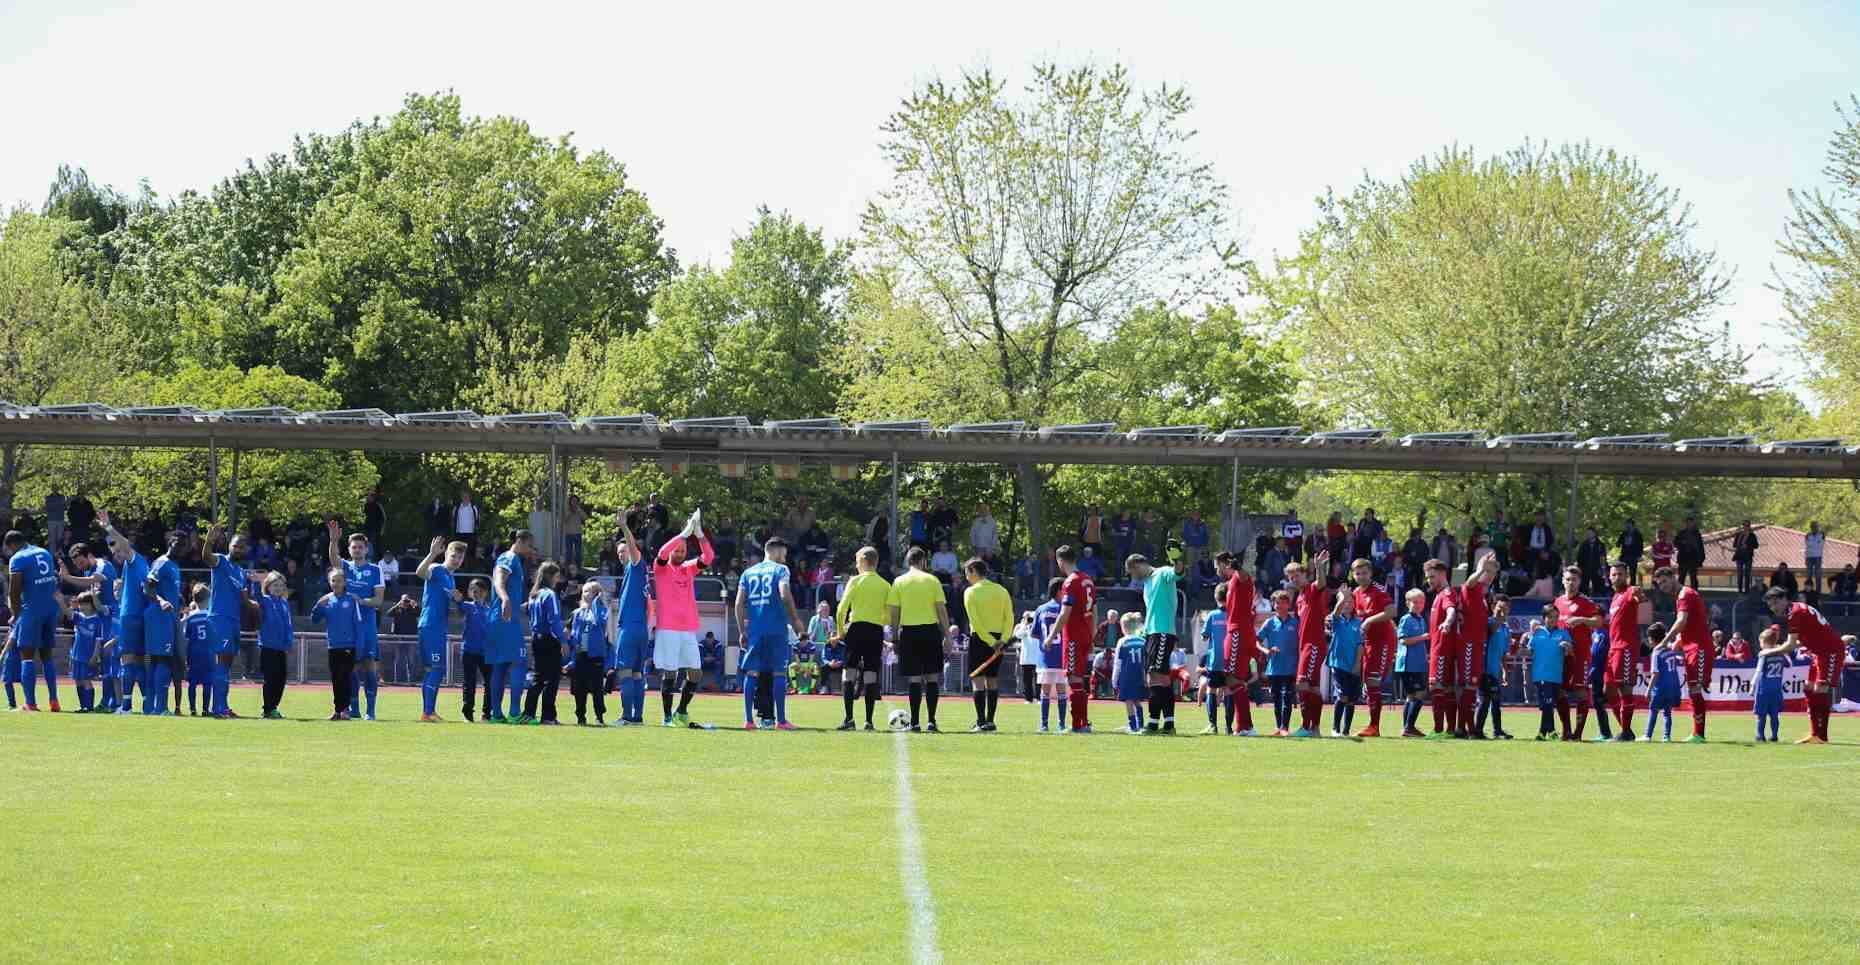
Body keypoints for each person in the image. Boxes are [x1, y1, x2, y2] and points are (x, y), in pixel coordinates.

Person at [1756, 588, 1848, 743]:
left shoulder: (1795, 613)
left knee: (1820, 689)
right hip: (1819, 652)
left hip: (1830, 651)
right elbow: (1800, 640)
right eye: (1771, 606)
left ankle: (1821, 736)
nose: (1774, 608)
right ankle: (1814, 733)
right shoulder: (1796, 609)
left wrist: (1768, 652)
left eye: (1775, 603)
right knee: (1808, 688)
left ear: (1784, 598)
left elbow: (1791, 645)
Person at [737, 537, 806, 731]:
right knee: (778, 672)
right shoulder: (781, 570)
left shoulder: (748, 573)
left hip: (756, 630)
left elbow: (738, 603)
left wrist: (743, 631)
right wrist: (796, 620)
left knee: (751, 672)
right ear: (775, 551)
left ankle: (748, 720)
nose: (785, 557)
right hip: (776, 628)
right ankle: (781, 721)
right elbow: (784, 594)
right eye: (784, 553)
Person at [654, 511, 714, 728]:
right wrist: (683, 534)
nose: (679, 553)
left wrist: (699, 536)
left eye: (682, 550)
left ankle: (681, 711)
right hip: (668, 628)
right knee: (670, 671)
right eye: (677, 550)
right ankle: (667, 716)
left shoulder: (688, 569)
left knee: (695, 672)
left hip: (688, 628)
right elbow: (662, 551)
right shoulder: (660, 569)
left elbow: (708, 558)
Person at [888, 545, 951, 732]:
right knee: (932, 678)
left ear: (908, 561)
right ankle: (931, 721)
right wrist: (947, 635)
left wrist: (893, 636)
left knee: (914, 679)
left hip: (908, 632)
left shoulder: (899, 582)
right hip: (930, 631)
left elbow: (894, 612)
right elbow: (941, 610)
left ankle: (914, 722)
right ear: (923, 561)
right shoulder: (932, 580)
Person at [327, 520, 385, 721]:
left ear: (366, 549)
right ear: (350, 549)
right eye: (354, 546)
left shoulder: (376, 570)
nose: (357, 549)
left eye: (361, 546)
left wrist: (362, 600)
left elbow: (378, 600)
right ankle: (354, 708)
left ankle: (371, 710)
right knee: (350, 666)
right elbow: (333, 558)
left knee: (369, 664)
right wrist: (334, 540)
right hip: (348, 625)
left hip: (367, 623)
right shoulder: (345, 567)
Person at [1126, 547, 1186, 733]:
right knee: (1163, 679)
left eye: (1132, 572)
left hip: (1162, 632)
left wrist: (1177, 558)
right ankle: (1168, 724)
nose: (1133, 577)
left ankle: (1152, 723)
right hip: (1152, 633)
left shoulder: (1162, 573)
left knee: (1154, 676)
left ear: (1138, 565)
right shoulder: (1147, 583)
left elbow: (1178, 572)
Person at [4, 530, 64, 711]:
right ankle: (54, 701)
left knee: (27, 656)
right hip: (50, 609)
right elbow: (53, 581)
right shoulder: (43, 552)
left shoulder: (18, 558)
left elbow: (14, 591)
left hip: (31, 610)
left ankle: (30, 703)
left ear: (12, 545)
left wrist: (15, 614)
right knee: (46, 655)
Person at [834, 546, 891, 731]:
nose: (856, 564)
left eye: (857, 560)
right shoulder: (885, 584)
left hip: (856, 628)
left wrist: (841, 631)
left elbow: (841, 609)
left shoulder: (855, 581)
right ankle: (869, 721)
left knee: (849, 672)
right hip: (875, 630)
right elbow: (889, 616)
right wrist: (877, 621)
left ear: (865, 561)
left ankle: (849, 719)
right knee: (870, 674)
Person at [97, 511, 149, 714]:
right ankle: (147, 705)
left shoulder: (135, 560)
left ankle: (126, 706)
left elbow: (124, 544)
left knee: (127, 660)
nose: (116, 554)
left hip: (130, 615)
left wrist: (109, 527)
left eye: (117, 550)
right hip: (142, 615)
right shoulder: (141, 566)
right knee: (140, 661)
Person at [1339, 558, 1397, 738]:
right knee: (1368, 683)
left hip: (1382, 642)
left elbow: (1392, 612)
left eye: (1364, 573)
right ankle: (1372, 725)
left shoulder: (1378, 591)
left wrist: (1370, 620)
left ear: (1370, 574)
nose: (1361, 576)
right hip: (1366, 644)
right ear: (1353, 575)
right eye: (1357, 573)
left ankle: (1374, 726)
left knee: (1372, 681)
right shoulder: (1355, 592)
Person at [1653, 566, 1712, 742]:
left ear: (1674, 577)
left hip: (1698, 648)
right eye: (1659, 583)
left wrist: (1663, 643)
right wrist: (1678, 641)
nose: (1662, 586)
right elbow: (1691, 623)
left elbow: (1681, 621)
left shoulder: (1684, 594)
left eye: (1664, 581)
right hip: (1691, 647)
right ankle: (1696, 733)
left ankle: (1699, 734)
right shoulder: (1682, 596)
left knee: (1694, 689)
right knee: (1693, 688)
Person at [61, 541, 119, 713]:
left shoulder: (102, 565)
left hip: (111, 618)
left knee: (110, 661)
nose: (80, 566)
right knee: (103, 664)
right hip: (100, 619)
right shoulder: (88, 570)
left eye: (80, 562)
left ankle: (112, 702)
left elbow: (93, 580)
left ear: (89, 555)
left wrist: (68, 577)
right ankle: (105, 701)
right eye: (76, 564)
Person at [202, 522, 251, 719]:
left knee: (227, 663)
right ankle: (218, 708)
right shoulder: (221, 561)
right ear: (229, 546)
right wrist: (209, 541)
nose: (238, 549)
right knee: (221, 661)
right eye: (235, 545)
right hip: (219, 618)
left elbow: (245, 601)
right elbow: (207, 557)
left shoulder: (241, 572)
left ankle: (223, 705)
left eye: (241, 546)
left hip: (233, 620)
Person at [488, 530, 537, 725]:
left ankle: (496, 714)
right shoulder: (509, 557)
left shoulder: (514, 560)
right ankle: (515, 713)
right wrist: (505, 598)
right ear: (520, 541)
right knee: (519, 662)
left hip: (501, 617)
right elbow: (499, 579)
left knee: (500, 666)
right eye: (530, 545)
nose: (531, 549)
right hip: (505, 619)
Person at [1552, 565, 1605, 741]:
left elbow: (1598, 622)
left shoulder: (1586, 602)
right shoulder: (1558, 602)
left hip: (1581, 654)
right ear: (1562, 581)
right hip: (1561, 656)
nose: (1571, 583)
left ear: (1579, 582)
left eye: (1574, 580)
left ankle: (1578, 733)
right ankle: (1566, 730)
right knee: (1560, 691)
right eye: (1567, 579)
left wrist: (1582, 620)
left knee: (1580, 691)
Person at [414, 537, 464, 722]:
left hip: (438, 626)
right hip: (431, 626)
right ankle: (428, 712)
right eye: (454, 556)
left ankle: (429, 711)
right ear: (446, 554)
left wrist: (457, 601)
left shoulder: (451, 578)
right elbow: (419, 572)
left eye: (460, 557)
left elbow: (449, 606)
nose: (456, 560)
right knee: (437, 668)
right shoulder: (436, 569)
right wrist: (432, 553)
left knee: (432, 670)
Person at [962, 557, 1014, 732]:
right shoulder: (1002, 590)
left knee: (978, 681)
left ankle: (980, 721)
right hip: (999, 639)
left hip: (980, 639)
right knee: (992, 681)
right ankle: (990, 722)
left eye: (967, 573)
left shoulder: (970, 592)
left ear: (974, 572)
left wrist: (991, 642)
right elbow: (1010, 618)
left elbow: (975, 622)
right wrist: (1003, 641)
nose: (966, 577)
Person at [1285, 551, 1332, 738]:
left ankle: (1306, 726)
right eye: (1291, 577)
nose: (1294, 579)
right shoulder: (1299, 598)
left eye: (1297, 576)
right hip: (1305, 645)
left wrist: (1320, 566)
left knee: (1301, 683)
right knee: (1312, 687)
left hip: (1313, 645)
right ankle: (1315, 729)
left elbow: (1321, 583)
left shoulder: (1312, 590)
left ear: (1305, 575)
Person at [1053, 544, 1098, 734]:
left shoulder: (1070, 582)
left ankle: (1078, 724)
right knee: (1079, 679)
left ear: (1061, 561)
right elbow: (1095, 609)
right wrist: (1092, 633)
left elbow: (1065, 613)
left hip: (1073, 635)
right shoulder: (1088, 580)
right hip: (1086, 633)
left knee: (1073, 679)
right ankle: (1084, 722)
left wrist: (1051, 635)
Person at [1216, 552, 1261, 737]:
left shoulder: (1239, 578)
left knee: (1232, 679)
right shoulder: (1232, 583)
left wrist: (1238, 567)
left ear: (1225, 564)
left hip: (1238, 633)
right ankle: (1244, 725)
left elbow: (1245, 576)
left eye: (1217, 565)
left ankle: (1245, 727)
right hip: (1242, 632)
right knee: (1237, 680)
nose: (1217, 570)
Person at [1454, 553, 1499, 739]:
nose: (1489, 575)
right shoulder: (1473, 587)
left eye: (1492, 572)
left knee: (1471, 686)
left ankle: (1463, 728)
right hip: (1469, 644)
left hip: (1479, 644)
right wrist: (1480, 568)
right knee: (1469, 686)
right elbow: (1468, 583)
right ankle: (1467, 728)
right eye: (1486, 571)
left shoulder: (1485, 595)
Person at [610, 519, 650, 725]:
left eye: (623, 551)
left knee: (625, 672)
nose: (621, 555)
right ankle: (637, 717)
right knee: (636, 674)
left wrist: (625, 527)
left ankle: (626, 716)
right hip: (641, 628)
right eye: (618, 553)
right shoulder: (637, 572)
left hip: (630, 627)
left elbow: (633, 549)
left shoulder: (636, 566)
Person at [310, 566, 363, 720]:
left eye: (339, 580)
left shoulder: (352, 600)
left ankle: (345, 709)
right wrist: (318, 605)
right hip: (333, 646)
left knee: (345, 677)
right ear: (329, 582)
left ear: (345, 582)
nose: (336, 583)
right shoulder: (326, 600)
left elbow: (358, 624)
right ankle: (337, 710)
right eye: (333, 580)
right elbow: (314, 619)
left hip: (349, 646)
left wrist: (358, 647)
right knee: (336, 679)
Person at [1602, 562, 1644, 740]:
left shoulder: (1629, 592)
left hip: (1625, 648)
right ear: (1609, 576)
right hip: (1613, 649)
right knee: (1608, 691)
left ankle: (1626, 731)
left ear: (1626, 575)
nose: (1616, 577)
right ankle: (1626, 729)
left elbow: (1640, 599)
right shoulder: (1615, 596)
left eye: (1620, 574)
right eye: (1614, 574)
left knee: (1624, 688)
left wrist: (1639, 595)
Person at [522, 561, 567, 725]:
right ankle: (548, 716)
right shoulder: (550, 594)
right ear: (551, 576)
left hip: (536, 638)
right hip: (549, 639)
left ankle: (528, 713)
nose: (558, 579)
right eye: (557, 575)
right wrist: (563, 640)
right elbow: (554, 619)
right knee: (552, 679)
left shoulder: (534, 594)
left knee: (538, 677)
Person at [568, 580, 616, 726]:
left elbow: (600, 622)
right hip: (581, 654)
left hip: (596, 656)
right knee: (579, 689)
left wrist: (596, 602)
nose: (586, 594)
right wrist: (572, 659)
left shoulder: (601, 611)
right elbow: (574, 636)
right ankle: (580, 716)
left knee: (597, 689)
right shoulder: (577, 613)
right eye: (585, 591)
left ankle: (599, 716)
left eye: (590, 592)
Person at [1525, 608, 1572, 740]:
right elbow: (1529, 650)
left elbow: (1570, 650)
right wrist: (1520, 649)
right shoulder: (1537, 633)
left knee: (1548, 705)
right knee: (1548, 703)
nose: (1553, 620)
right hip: (1540, 675)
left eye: (1556, 617)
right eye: (1550, 617)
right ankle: (1551, 732)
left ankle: (1542, 733)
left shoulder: (1563, 633)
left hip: (1556, 676)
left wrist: (1567, 646)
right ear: (1544, 618)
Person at [1259, 590, 1299, 735]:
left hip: (1291, 667)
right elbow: (1257, 641)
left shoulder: (1296, 623)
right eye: (1277, 602)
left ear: (1288, 604)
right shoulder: (1269, 622)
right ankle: (1278, 727)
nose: (1279, 605)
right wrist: (1266, 651)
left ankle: (1285, 728)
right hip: (1274, 668)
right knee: (1276, 699)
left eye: (1282, 602)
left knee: (1287, 697)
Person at [254, 571, 293, 718]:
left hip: (281, 648)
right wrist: (256, 581)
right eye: (275, 585)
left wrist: (288, 642)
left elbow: (288, 624)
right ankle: (267, 709)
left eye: (281, 586)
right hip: (267, 646)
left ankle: (274, 707)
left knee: (281, 679)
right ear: (268, 586)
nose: (278, 588)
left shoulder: (284, 603)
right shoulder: (265, 600)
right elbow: (256, 595)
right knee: (269, 679)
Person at [1327, 591, 1365, 737]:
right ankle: (1335, 728)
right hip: (1338, 664)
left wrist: (1357, 664)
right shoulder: (1336, 620)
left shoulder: (1358, 622)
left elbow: (1360, 645)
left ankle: (1346, 730)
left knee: (1351, 700)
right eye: (1344, 602)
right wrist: (1341, 598)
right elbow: (1335, 613)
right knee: (1342, 696)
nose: (1347, 604)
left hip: (1353, 665)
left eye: (1350, 601)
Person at [1031, 578, 1067, 732]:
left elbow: (1035, 634)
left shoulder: (1041, 609)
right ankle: (1061, 725)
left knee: (1045, 692)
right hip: (1062, 656)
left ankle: (1044, 725)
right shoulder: (1066, 609)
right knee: (1061, 691)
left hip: (1045, 656)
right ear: (1060, 590)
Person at [1393, 589, 1429, 737]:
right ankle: (1409, 727)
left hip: (1418, 663)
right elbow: (1403, 640)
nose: (1418, 605)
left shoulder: (1421, 619)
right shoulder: (1406, 619)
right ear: (1408, 603)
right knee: (1419, 694)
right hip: (1408, 664)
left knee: (1412, 696)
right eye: (1415, 602)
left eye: (1421, 602)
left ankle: (1407, 728)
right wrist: (1422, 637)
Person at [458, 579, 495, 722]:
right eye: (473, 590)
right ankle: (468, 713)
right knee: (469, 682)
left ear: (485, 593)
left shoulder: (490, 611)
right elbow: (458, 603)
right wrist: (457, 598)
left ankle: (487, 714)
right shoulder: (467, 606)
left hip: (487, 652)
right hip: (469, 651)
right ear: (469, 592)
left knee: (490, 683)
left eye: (479, 590)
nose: (476, 593)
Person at [67, 591, 107, 712]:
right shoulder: (79, 617)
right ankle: (83, 706)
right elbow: (68, 612)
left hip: (88, 657)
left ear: (92, 605)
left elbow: (98, 641)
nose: (82, 607)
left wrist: (94, 656)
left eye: (85, 604)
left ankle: (89, 707)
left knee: (86, 680)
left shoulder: (97, 621)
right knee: (78, 680)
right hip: (76, 656)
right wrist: (60, 600)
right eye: (80, 604)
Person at [1200, 583, 1232, 734]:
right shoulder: (1233, 614)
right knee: (1228, 690)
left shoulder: (1212, 615)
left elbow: (1204, 636)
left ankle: (1212, 725)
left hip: (1215, 660)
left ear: (1216, 597)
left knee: (1211, 690)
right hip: (1230, 659)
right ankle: (1229, 727)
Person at [1644, 627, 1683, 742]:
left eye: (1649, 638)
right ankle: (1667, 736)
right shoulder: (1670, 650)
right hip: (1673, 687)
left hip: (1660, 688)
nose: (1649, 641)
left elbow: (1655, 673)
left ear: (1653, 639)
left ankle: (1648, 735)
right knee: (1667, 712)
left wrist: (1648, 690)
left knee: (1653, 710)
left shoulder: (1656, 652)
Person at [1750, 627, 1788, 742]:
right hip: (1776, 689)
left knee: (1761, 715)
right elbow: (1790, 664)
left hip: (1764, 689)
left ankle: (1760, 736)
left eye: (1761, 642)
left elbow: (1758, 671)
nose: (1760, 645)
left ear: (1765, 642)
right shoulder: (1781, 654)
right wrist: (1782, 650)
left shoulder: (1763, 654)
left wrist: (1752, 685)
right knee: (1774, 714)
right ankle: (1774, 736)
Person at [1113, 612, 1148, 734]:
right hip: (1139, 675)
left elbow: (1118, 663)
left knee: (1128, 700)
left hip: (1126, 676)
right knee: (1137, 700)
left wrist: (1114, 680)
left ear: (1123, 627)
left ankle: (1133, 726)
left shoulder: (1122, 642)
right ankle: (1141, 724)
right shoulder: (1143, 641)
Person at [183, 587, 214, 715]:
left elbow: (187, 638)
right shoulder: (211, 616)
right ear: (207, 599)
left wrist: (185, 657)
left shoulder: (190, 618)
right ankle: (206, 709)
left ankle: (192, 709)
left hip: (194, 653)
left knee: (192, 683)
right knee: (207, 683)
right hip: (208, 654)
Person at [1731, 521, 1760, 594]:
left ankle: (1747, 590)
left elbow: (1756, 546)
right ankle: (1740, 589)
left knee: (1747, 574)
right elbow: (1734, 545)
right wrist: (1740, 545)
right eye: (1744, 525)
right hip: (1739, 556)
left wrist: (1748, 545)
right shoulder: (1739, 535)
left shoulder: (1752, 535)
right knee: (1739, 573)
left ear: (1749, 526)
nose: (1745, 527)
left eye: (1747, 526)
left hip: (1748, 556)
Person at [1804, 522, 1826, 594]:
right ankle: (1808, 590)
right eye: (1813, 527)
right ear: (1811, 527)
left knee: (1818, 575)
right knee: (1809, 575)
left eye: (1816, 527)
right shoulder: (1808, 535)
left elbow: (1820, 545)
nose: (1814, 528)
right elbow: (1808, 545)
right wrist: (1815, 544)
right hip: (1809, 556)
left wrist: (1814, 544)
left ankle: (1818, 591)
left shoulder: (1821, 535)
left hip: (1818, 556)